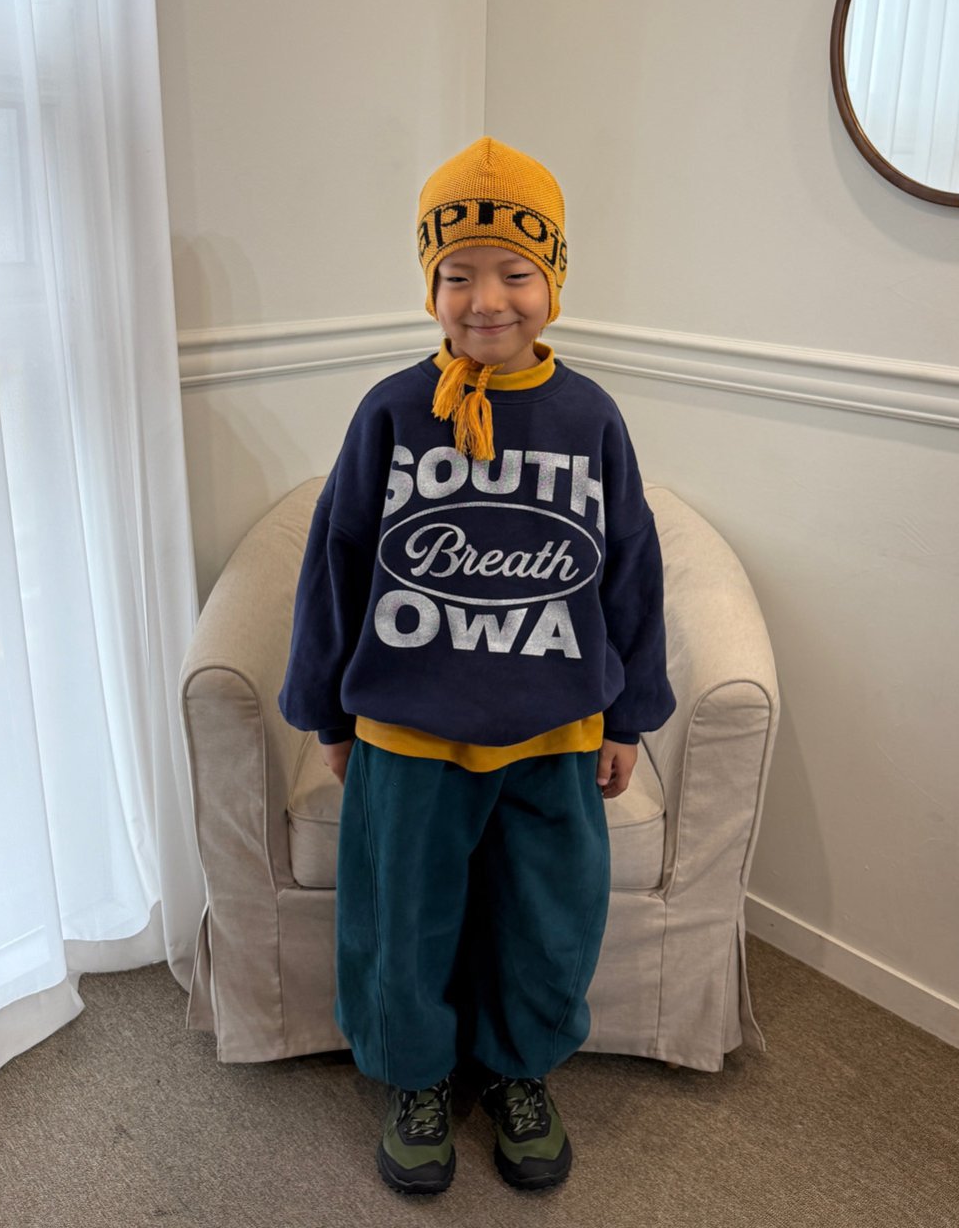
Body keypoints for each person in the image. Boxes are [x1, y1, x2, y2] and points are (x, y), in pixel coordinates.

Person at [278, 137, 675, 1195]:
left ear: (554, 280)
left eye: (514, 272)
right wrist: (329, 714)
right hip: (408, 732)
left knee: (548, 918)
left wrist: (628, 717)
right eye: (458, 274)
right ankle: (415, 1077)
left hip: (555, 733)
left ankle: (516, 1067)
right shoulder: (390, 411)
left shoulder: (591, 418)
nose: (486, 299)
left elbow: (630, 570)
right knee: (401, 923)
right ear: (430, 285)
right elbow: (337, 564)